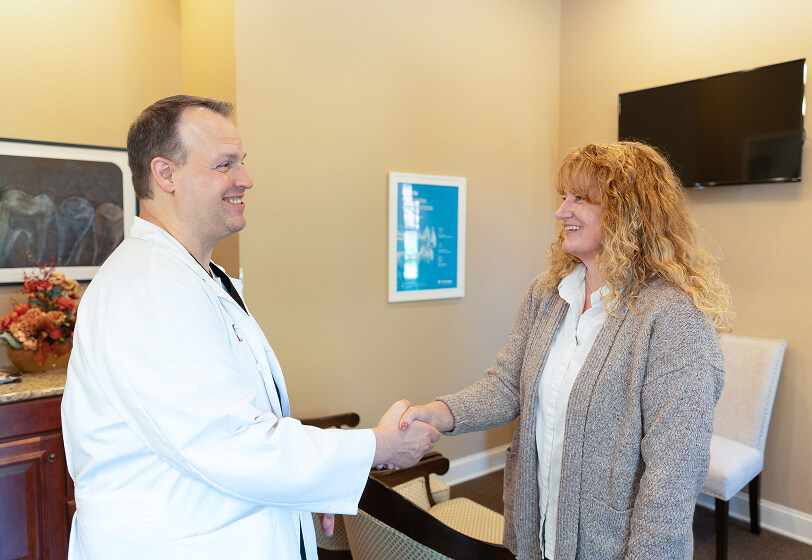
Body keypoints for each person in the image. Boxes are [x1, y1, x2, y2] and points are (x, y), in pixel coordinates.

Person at [61, 95, 440, 560]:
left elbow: (242, 422)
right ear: (165, 175)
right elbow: (228, 445)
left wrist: (314, 487)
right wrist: (377, 445)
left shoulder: (191, 276)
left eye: (241, 163)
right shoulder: (149, 288)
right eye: (224, 165)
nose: (246, 179)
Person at [401, 142, 731, 560]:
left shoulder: (674, 321)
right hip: (534, 534)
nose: (561, 212)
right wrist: (434, 413)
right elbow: (506, 386)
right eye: (563, 198)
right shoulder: (547, 295)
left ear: (629, 212)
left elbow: (672, 479)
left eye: (580, 199)